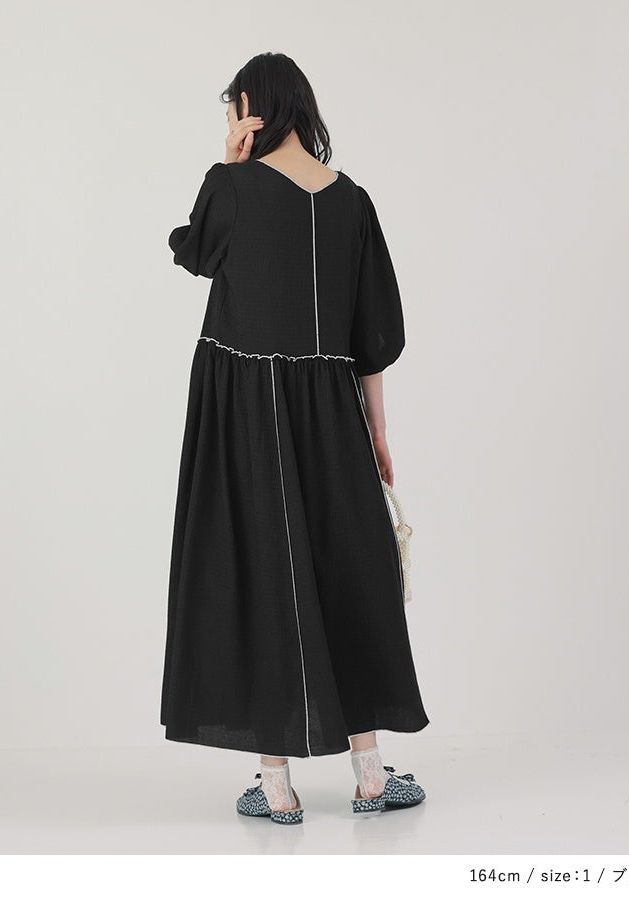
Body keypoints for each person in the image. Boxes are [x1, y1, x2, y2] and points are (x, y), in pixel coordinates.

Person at [160, 52, 429, 825]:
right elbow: (373, 335)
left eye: (233, 111)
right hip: (333, 409)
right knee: (347, 569)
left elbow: (195, 253)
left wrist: (225, 163)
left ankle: (276, 788)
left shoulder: (234, 186)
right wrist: (378, 431)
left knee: (258, 567)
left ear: (253, 110)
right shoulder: (353, 202)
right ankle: (370, 777)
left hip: (244, 407)